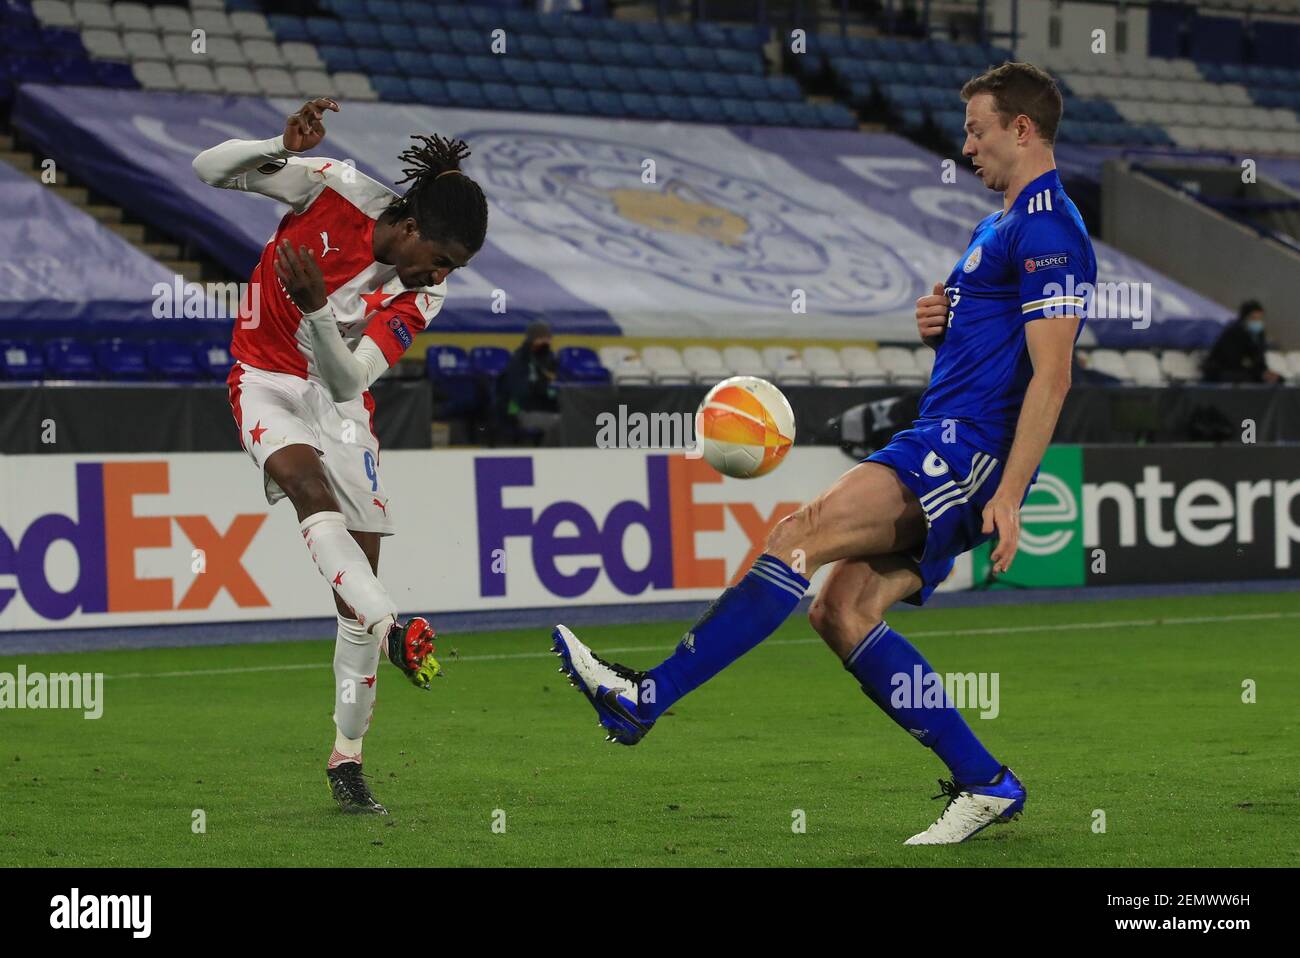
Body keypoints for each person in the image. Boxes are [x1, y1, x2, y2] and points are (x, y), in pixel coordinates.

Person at [552, 62, 1096, 845]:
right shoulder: (1000, 225)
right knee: (841, 611)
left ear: (1021, 128)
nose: (966, 144)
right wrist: (945, 318)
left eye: (977, 129)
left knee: (796, 534)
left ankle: (646, 698)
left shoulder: (1051, 228)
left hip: (966, 452)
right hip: (942, 437)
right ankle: (986, 781)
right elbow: (997, 335)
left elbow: (1054, 373)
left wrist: (1009, 493)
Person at [193, 98, 488, 814]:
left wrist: (318, 308)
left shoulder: (422, 298)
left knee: (350, 601)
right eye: (440, 260)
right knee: (308, 493)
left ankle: (346, 757)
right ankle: (398, 627)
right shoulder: (330, 186)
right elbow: (208, 170)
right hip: (263, 379)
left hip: (341, 407)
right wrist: (274, 145)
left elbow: (350, 379)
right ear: (412, 227)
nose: (440, 276)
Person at [499, 320, 561, 445]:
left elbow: (556, 385)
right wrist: (545, 390)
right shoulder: (519, 361)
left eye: (549, 339)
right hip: (524, 411)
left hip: (548, 409)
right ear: (533, 340)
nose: (547, 342)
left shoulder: (550, 360)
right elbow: (520, 393)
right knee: (563, 424)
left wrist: (551, 391)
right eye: (543, 339)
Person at [1202, 300, 1281, 383]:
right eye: (1253, 318)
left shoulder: (1259, 335)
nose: (1257, 322)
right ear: (1244, 319)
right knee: (1243, 379)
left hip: (1247, 371)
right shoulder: (1232, 333)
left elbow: (1259, 359)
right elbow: (1232, 361)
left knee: (1278, 379)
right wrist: (1255, 370)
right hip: (1222, 372)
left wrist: (1265, 372)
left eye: (1259, 319)